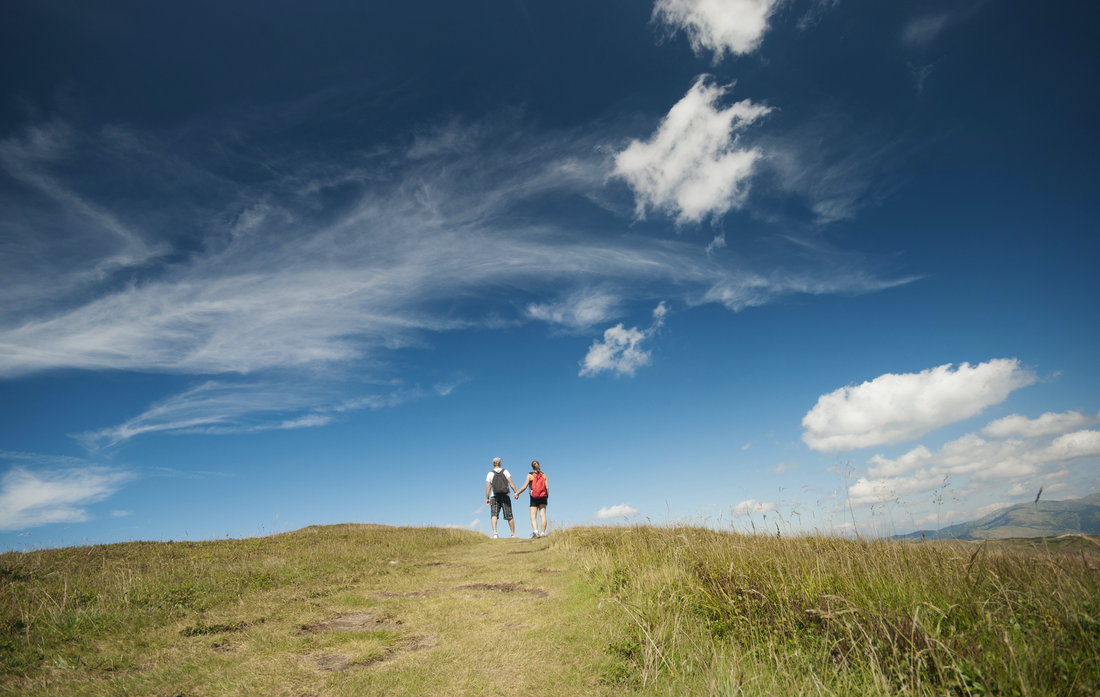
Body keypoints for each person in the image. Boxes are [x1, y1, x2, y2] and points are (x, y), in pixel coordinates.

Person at [484, 457, 518, 538]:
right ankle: (513, 534)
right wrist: (516, 492)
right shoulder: (505, 471)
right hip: (505, 495)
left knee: (494, 515)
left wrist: (487, 498)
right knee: (509, 515)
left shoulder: (490, 474)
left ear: (493, 464)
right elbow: (510, 482)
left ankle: (495, 533)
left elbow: (488, 487)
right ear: (500, 463)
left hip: (494, 496)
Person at [514, 460, 549, 538]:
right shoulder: (544, 476)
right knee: (543, 515)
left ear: (532, 467)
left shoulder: (530, 475)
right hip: (543, 497)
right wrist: (547, 497)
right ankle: (542, 533)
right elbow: (547, 487)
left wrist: (517, 493)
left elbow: (524, 486)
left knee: (533, 516)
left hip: (534, 497)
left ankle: (535, 532)